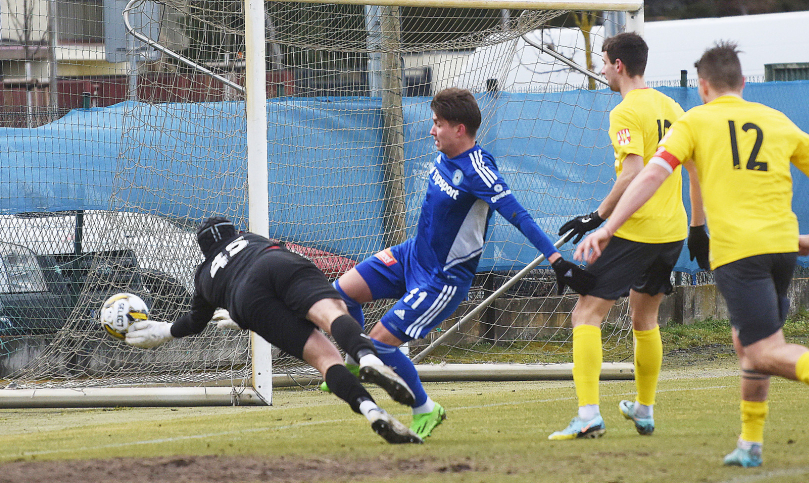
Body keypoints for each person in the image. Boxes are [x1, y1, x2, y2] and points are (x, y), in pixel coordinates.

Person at [575, 41, 809, 467]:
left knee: (762, 349)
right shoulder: (775, 120)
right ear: (744, 83)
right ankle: (750, 444)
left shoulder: (695, 122)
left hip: (740, 252)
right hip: (783, 249)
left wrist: (607, 226)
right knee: (748, 343)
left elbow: (647, 177)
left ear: (703, 86)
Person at [331, 87, 596, 440]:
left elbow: (518, 215)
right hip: (410, 256)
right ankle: (353, 360)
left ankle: (425, 407)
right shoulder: (442, 155)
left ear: (459, 129)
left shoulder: (478, 170)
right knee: (336, 296)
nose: (431, 130)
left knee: (378, 345)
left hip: (441, 281)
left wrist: (556, 259)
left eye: (437, 124)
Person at [124, 216, 424, 445]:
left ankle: (371, 410)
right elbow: (255, 267)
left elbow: (195, 322)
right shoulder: (250, 238)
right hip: (276, 262)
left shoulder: (203, 275)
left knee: (324, 360)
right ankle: (369, 361)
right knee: (332, 315)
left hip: (246, 301)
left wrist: (164, 331)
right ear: (235, 233)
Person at [548, 32, 706, 441]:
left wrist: (598, 217)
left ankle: (587, 414)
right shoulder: (673, 106)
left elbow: (633, 172)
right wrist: (696, 228)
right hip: (671, 232)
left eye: (603, 62)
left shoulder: (625, 112)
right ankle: (644, 409)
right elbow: (694, 170)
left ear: (618, 64)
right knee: (644, 317)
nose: (601, 70)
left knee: (586, 314)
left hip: (635, 230)